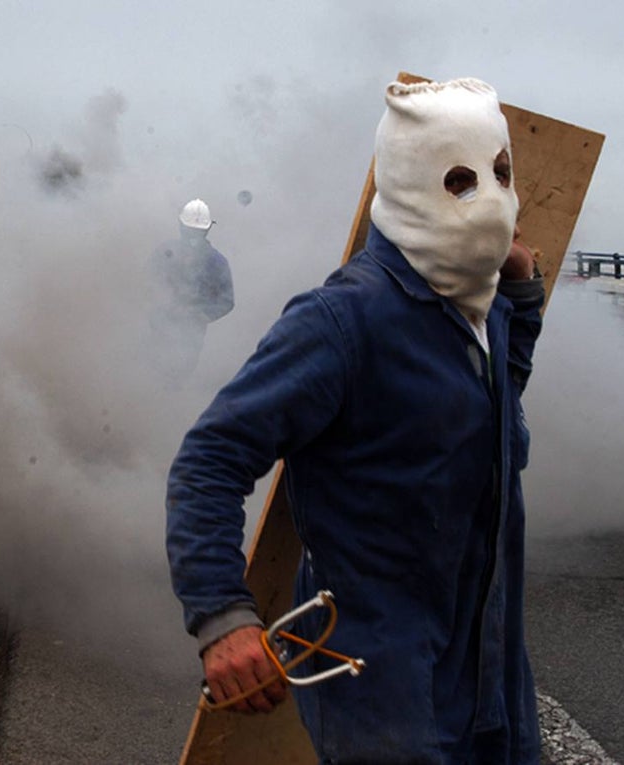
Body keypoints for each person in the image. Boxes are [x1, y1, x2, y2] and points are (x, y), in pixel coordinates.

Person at [165, 78, 544, 764]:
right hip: (384, 678)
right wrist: (222, 616)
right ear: (408, 180)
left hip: (490, 667)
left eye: (499, 173)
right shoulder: (343, 321)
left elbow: (490, 409)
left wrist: (523, 292)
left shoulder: (483, 305)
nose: (488, 199)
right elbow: (210, 458)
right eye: (459, 180)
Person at [148, 199, 234, 384]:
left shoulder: (217, 262)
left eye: (197, 231)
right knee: (144, 372)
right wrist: (161, 303)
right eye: (189, 230)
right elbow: (145, 282)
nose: (192, 236)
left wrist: (198, 314)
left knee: (174, 377)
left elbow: (226, 301)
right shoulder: (165, 252)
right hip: (156, 327)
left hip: (189, 335)